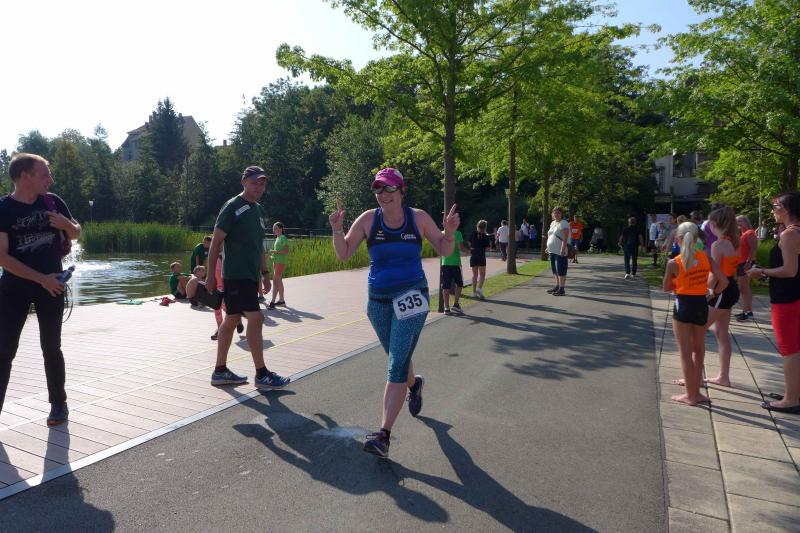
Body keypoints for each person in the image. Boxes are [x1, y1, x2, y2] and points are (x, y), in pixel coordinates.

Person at [328, 167, 459, 457]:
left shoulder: (418, 218)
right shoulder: (368, 219)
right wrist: (337, 229)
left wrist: (449, 233)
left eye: (389, 188)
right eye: (378, 189)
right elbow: (343, 253)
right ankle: (414, 384)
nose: (383, 194)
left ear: (401, 190)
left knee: (396, 362)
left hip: (411, 296)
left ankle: (383, 435)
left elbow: (444, 249)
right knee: (397, 359)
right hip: (378, 302)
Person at [0, 153, 81, 426]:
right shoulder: (3, 209)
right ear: (25, 177)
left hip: (53, 287)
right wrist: (40, 279)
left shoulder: (52, 201)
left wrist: (67, 225)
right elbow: (2, 257)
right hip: (14, 289)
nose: (51, 179)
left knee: (51, 347)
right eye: (45, 174)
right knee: (4, 351)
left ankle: (59, 405)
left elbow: (76, 232)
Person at [205, 165, 290, 390]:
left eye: (262, 183)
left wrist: (265, 273)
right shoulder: (232, 206)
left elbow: (258, 245)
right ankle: (261, 374)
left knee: (232, 319)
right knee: (256, 318)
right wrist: (211, 276)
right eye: (254, 182)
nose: (259, 187)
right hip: (236, 275)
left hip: (250, 276)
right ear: (244, 182)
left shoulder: (258, 210)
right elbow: (216, 242)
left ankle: (220, 371)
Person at [747, 192, 800, 413]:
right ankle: (793, 392)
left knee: (789, 349)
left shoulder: (789, 234)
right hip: (794, 295)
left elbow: (790, 270)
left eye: (775, 207)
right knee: (795, 347)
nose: (772, 211)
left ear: (786, 209)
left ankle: (791, 399)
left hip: (787, 297)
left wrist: (762, 272)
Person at [663, 221, 727, 406]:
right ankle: (697, 391)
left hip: (683, 304)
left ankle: (690, 395)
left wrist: (679, 283)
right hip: (701, 304)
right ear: (697, 237)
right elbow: (723, 281)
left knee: (685, 353)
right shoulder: (706, 257)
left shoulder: (674, 262)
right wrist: (712, 293)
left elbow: (666, 288)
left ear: (678, 239)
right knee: (698, 349)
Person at [704, 207, 740, 388]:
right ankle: (723, 377)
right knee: (721, 333)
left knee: (697, 331)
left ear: (713, 223)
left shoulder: (718, 245)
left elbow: (715, 274)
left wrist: (705, 291)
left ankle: (694, 378)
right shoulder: (733, 242)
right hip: (731, 288)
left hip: (722, 290)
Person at [210, 252, 245, 341]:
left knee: (228, 309)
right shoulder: (214, 257)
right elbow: (211, 271)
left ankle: (238, 319)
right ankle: (220, 329)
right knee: (217, 309)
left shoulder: (233, 256)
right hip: (217, 288)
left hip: (229, 287)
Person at [441, 223, 469, 315]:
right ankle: (456, 304)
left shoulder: (442, 233)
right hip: (455, 263)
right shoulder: (457, 233)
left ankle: (446, 307)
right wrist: (468, 251)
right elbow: (460, 247)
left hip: (445, 263)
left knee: (446, 286)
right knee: (459, 284)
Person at [734, 215, 758, 322]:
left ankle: (747, 312)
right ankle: (747, 310)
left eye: (740, 221)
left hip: (745, 263)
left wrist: (748, 262)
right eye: (737, 222)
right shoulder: (743, 234)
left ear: (746, 222)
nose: (738, 223)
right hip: (741, 263)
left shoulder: (750, 233)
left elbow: (753, 249)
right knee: (744, 289)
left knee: (745, 289)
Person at [546, 207, 570, 296]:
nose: (556, 214)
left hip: (560, 251)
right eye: (554, 213)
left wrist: (562, 249)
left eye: (558, 213)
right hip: (552, 251)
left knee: (561, 270)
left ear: (561, 214)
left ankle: (561, 289)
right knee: (555, 270)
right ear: (552, 214)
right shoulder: (552, 223)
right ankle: (557, 286)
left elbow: (565, 237)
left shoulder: (564, 223)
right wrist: (547, 247)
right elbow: (550, 236)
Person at [268, 221, 288, 310]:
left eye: (275, 228)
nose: (274, 230)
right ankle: (281, 300)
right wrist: (270, 256)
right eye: (273, 228)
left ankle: (273, 302)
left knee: (276, 281)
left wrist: (274, 252)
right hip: (276, 261)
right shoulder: (278, 238)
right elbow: (277, 252)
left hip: (280, 262)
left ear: (281, 229)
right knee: (278, 281)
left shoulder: (283, 237)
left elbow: (286, 251)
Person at [469, 220, 491, 299]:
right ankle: (479, 288)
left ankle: (474, 292)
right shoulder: (486, 236)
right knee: (482, 274)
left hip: (473, 256)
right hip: (481, 256)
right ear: (485, 227)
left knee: (474, 275)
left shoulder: (472, 234)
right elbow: (488, 249)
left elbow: (469, 243)